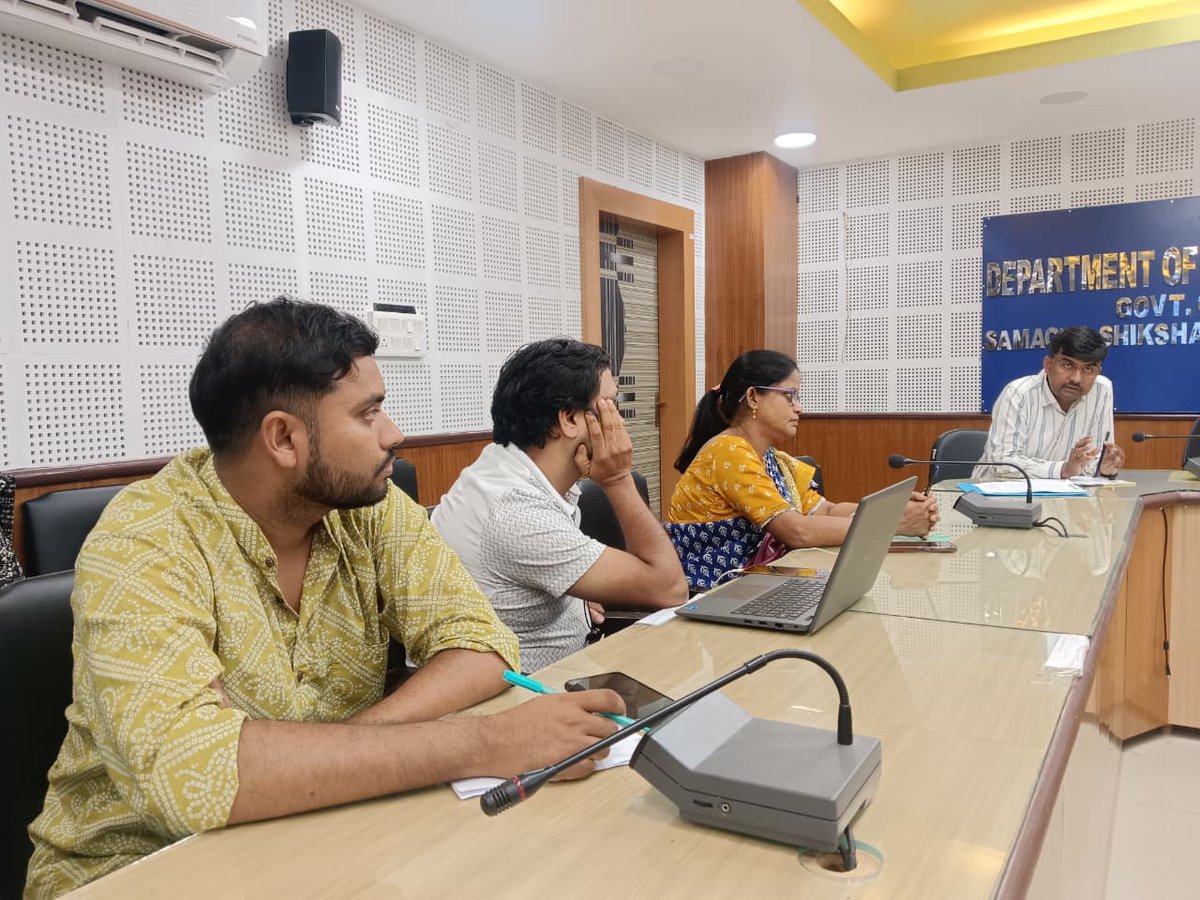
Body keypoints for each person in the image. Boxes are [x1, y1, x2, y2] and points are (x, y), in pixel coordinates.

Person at [25, 300, 625, 899]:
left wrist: (348, 751)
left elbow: (484, 646)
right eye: (368, 414)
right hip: (134, 869)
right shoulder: (146, 537)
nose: (394, 433)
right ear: (283, 437)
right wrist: (490, 744)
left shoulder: (372, 509)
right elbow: (189, 774)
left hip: (331, 831)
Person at [432, 339, 688, 672]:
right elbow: (669, 588)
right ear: (569, 419)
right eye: (611, 405)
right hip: (535, 692)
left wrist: (576, 601)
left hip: (579, 658)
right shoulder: (515, 513)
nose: (621, 423)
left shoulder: (503, 467)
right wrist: (618, 479)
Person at [667, 350, 938, 590]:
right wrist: (891, 525)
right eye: (789, 395)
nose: (799, 407)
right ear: (752, 397)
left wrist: (894, 511)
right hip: (715, 593)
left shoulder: (773, 459)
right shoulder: (728, 451)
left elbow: (825, 510)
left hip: (755, 584)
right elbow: (798, 532)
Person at [976, 325, 1125, 480]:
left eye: (1088, 370)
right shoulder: (1018, 394)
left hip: (1064, 497)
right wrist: (1062, 470)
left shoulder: (1101, 390)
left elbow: (1092, 460)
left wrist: (1102, 467)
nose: (1076, 379)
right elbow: (1002, 463)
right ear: (1048, 365)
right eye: (1067, 365)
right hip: (995, 496)